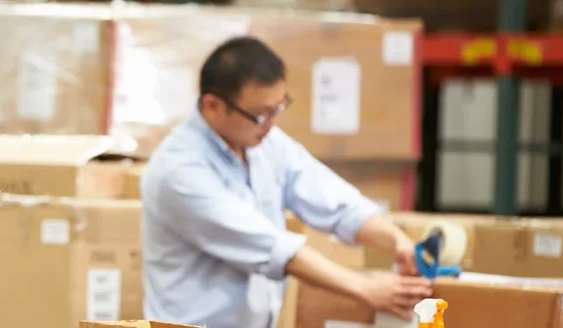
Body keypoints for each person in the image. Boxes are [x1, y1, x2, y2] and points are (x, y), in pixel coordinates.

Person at [139, 37, 433, 328]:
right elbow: (272, 248)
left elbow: (334, 200)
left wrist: (397, 241)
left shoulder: (265, 143)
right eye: (260, 115)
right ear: (213, 105)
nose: (271, 124)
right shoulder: (178, 171)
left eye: (278, 109)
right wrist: (365, 288)